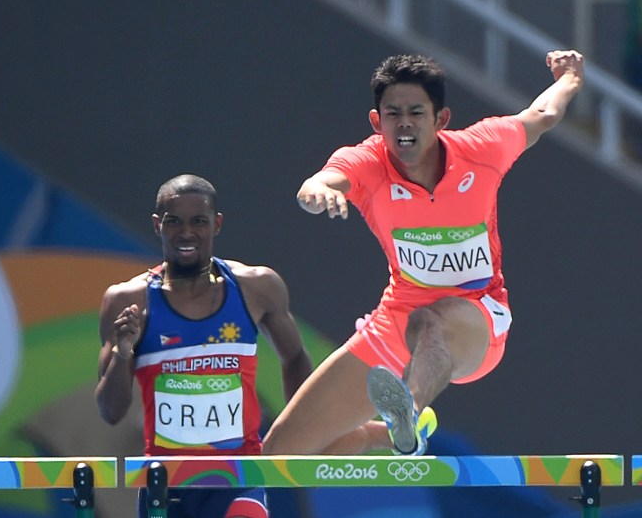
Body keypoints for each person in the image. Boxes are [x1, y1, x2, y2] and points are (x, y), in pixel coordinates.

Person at [262, 50, 584, 457]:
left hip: (477, 318)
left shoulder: (482, 148)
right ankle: (382, 433)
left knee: (429, 320)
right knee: (277, 455)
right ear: (377, 122)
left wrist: (570, 78)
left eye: (416, 112)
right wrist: (319, 193)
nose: (405, 123)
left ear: (441, 119)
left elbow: (542, 115)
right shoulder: (366, 162)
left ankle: (408, 414)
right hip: (397, 317)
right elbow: (317, 184)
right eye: (393, 114)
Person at [95, 174, 312, 518]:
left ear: (217, 224)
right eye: (174, 222)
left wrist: (296, 433)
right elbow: (111, 411)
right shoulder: (127, 300)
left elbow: (296, 358)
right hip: (165, 486)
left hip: (239, 479)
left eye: (199, 221)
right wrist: (123, 353)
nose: (186, 233)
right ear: (157, 225)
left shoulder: (258, 288)